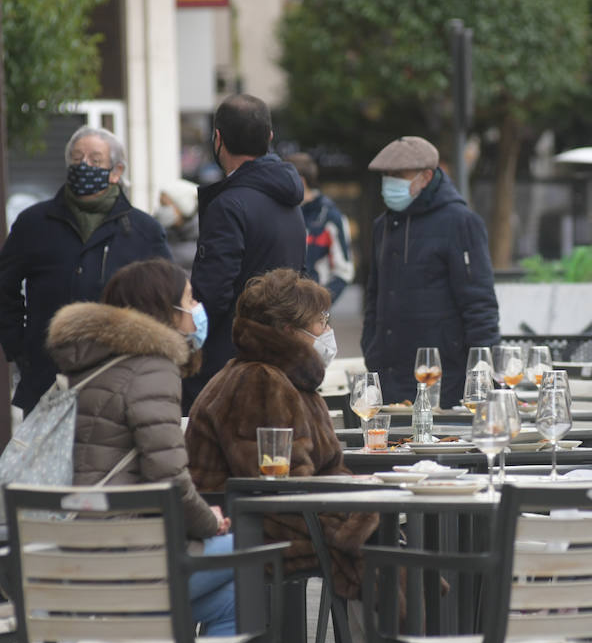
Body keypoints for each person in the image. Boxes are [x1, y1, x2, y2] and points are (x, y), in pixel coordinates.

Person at [184, 268, 465, 643]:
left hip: (278, 516)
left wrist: (362, 496)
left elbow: (321, 471)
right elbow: (275, 484)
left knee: (376, 537)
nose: (328, 332)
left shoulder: (287, 377)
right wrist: (357, 511)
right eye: (321, 322)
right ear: (289, 331)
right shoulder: (260, 380)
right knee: (367, 547)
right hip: (253, 526)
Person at [46, 258, 234, 643]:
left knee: (232, 598)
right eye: (190, 299)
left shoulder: (86, 363)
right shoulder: (151, 369)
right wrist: (212, 523)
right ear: (164, 310)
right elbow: (170, 478)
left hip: (72, 567)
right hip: (126, 571)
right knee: (254, 550)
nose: (198, 308)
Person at [0, 126, 172, 414]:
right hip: (47, 379)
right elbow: (1, 287)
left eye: (95, 160)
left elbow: (167, 297)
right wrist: (22, 348)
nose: (84, 165)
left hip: (118, 381)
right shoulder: (34, 223)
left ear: (116, 171)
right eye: (77, 158)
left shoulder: (143, 230)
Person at [186, 94, 306, 410]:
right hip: (282, 353)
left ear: (218, 139)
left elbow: (212, 292)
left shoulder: (228, 205)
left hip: (233, 365)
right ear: (268, 138)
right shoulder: (290, 201)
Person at [362, 136, 499, 407]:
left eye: (398, 175)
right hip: (389, 378)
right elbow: (374, 296)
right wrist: (372, 347)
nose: (390, 182)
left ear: (426, 176)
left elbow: (479, 305)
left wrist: (483, 374)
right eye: (386, 175)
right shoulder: (384, 225)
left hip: (443, 378)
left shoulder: (460, 222)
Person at [287, 152, 354, 303]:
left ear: (300, 180)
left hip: (312, 314)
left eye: (283, 179)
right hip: (279, 311)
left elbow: (344, 271)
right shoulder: (279, 213)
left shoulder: (330, 217)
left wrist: (319, 304)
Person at [154, 179, 200, 273]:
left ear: (182, 206)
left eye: (165, 205)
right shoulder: (167, 232)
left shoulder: (204, 234)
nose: (161, 210)